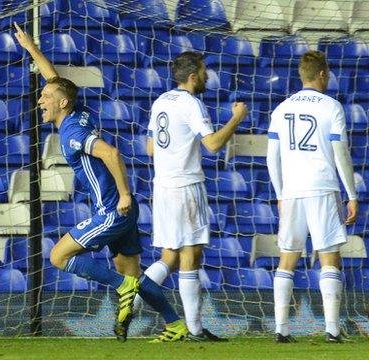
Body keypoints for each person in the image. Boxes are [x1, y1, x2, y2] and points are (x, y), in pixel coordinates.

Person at [13, 23, 187, 343]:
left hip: (112, 209)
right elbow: (55, 80)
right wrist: (31, 49)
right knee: (133, 273)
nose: (40, 100)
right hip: (124, 210)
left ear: (62, 103)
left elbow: (111, 153)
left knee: (59, 257)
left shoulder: (74, 134)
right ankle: (175, 323)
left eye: (45, 97)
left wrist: (122, 194)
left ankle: (122, 289)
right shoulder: (76, 110)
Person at [139, 52, 248, 341]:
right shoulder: (191, 103)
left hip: (162, 186)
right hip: (186, 186)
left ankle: (130, 303)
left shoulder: (161, 101)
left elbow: (150, 148)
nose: (207, 76)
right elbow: (212, 144)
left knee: (170, 255)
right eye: (203, 72)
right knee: (191, 254)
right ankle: (196, 329)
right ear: (192, 76)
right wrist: (236, 119)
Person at [267, 50, 357, 343]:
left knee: (287, 258)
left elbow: (272, 156)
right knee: (329, 257)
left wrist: (280, 193)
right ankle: (332, 329)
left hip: (292, 190)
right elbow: (340, 152)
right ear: (322, 75)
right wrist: (351, 193)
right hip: (322, 186)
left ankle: (281, 330)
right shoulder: (332, 107)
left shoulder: (281, 109)